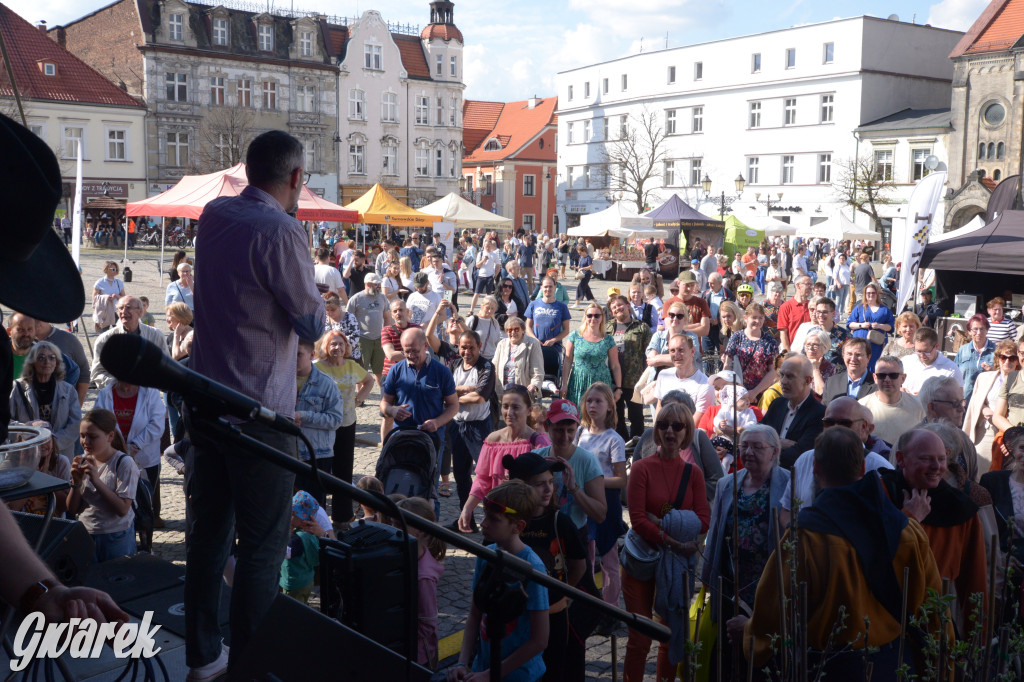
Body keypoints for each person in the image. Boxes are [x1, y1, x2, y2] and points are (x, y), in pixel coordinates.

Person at [185, 130, 326, 678]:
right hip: (259, 415)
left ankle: (201, 656)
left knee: (208, 536)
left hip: (205, 404)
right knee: (264, 548)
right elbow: (311, 321)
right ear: (295, 179)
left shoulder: (215, 215)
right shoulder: (283, 231)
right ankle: (249, 667)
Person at [740, 427, 947, 680]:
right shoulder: (906, 529)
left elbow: (772, 612)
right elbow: (934, 608)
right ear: (862, 469)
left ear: (815, 468)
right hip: (894, 665)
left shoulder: (804, 538)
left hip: (830, 668)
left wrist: (751, 638)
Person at [622, 402, 710, 682]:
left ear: (687, 431)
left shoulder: (693, 473)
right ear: (656, 431)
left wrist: (661, 523)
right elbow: (637, 520)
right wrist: (674, 537)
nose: (670, 431)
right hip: (641, 561)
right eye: (663, 425)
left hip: (676, 563)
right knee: (639, 638)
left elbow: (704, 519)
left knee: (670, 634)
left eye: (677, 425)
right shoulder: (641, 468)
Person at [701, 424, 790, 681]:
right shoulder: (728, 483)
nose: (748, 452)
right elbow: (716, 531)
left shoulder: (788, 482)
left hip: (768, 584)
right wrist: (708, 578)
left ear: (773, 452)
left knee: (763, 655)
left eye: (757, 447)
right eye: (744, 446)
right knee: (729, 654)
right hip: (731, 582)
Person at [880, 429, 988, 627]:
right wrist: (910, 517)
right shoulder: (880, 493)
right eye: (925, 459)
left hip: (935, 619)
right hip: (884, 616)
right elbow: (875, 556)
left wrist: (976, 643)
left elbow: (975, 583)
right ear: (901, 459)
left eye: (941, 458)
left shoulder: (961, 509)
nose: (937, 466)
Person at [447, 481, 549, 682]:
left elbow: (539, 640)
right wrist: (462, 662)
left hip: (519, 677)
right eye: (484, 515)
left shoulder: (532, 568)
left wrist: (490, 675)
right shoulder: (487, 555)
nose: (483, 523)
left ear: (518, 526)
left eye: (493, 519)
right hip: (483, 668)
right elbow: (475, 614)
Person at [778, 397, 896, 524]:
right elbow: (787, 510)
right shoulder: (804, 460)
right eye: (829, 422)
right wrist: (800, 536)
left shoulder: (880, 468)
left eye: (845, 423)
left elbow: (889, 523)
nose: (835, 428)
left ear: (863, 427)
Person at [457, 384, 550, 533]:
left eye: (516, 407)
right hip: (497, 517)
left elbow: (544, 485)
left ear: (529, 411)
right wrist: (467, 508)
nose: (509, 412)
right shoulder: (493, 440)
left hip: (525, 520)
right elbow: (482, 480)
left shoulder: (538, 443)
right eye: (505, 406)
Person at [575, 383, 627, 610]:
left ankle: (611, 608)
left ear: (609, 406)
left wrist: (593, 481)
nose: (592, 405)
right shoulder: (579, 433)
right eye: (589, 401)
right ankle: (585, 605)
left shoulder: (614, 439)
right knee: (585, 556)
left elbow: (620, 480)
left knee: (609, 559)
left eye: (598, 401)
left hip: (606, 501)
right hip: (583, 501)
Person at [380, 327, 459, 475]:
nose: (410, 355)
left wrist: (437, 422)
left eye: (414, 351)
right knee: (400, 480)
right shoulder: (396, 370)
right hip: (402, 436)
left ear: (425, 346)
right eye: (406, 351)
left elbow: (454, 406)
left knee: (428, 483)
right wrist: (392, 410)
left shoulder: (441, 372)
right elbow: (384, 403)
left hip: (431, 438)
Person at [67, 409, 140, 563]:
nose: (85, 442)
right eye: (82, 436)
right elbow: (72, 509)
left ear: (110, 436)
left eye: (92, 437)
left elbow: (122, 509)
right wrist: (76, 482)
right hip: (85, 533)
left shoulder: (124, 463)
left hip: (115, 536)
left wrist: (96, 480)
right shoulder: (83, 460)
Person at [313, 331, 372, 523]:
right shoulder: (317, 367)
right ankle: (319, 516)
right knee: (321, 469)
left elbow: (369, 381)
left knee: (344, 470)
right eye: (333, 344)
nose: (337, 348)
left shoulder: (352, 366)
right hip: (323, 426)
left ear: (346, 347)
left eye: (340, 344)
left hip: (347, 422)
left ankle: (342, 518)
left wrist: (358, 399)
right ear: (325, 347)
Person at [444, 329, 497, 526]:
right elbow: (444, 390)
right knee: (460, 473)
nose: (467, 352)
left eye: (471, 348)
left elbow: (479, 397)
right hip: (457, 426)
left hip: (479, 427)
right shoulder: (454, 364)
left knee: (485, 475)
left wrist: (453, 398)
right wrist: (461, 390)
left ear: (479, 347)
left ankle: (493, 521)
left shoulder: (486, 366)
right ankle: (467, 520)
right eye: (463, 347)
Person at [396, 496, 447, 671]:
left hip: (417, 655)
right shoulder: (414, 557)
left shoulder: (422, 576)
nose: (393, 529)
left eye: (399, 525)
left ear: (420, 531)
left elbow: (428, 622)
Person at [9, 341, 81, 458]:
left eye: (52, 358)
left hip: (59, 456)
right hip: (25, 455)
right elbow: (6, 421)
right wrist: (29, 430)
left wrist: (53, 444)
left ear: (56, 362)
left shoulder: (68, 391)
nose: (47, 361)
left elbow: (75, 425)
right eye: (41, 358)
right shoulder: (16, 388)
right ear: (32, 362)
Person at [761, 354, 826, 469]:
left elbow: (802, 453)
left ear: (808, 380)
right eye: (781, 375)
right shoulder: (777, 404)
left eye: (790, 376)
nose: (783, 381)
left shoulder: (819, 413)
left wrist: (768, 454)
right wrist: (782, 443)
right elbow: (760, 435)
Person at [90, 297, 170, 389]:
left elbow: (166, 368)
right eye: (120, 308)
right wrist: (119, 384)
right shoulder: (104, 339)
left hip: (148, 397)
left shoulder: (155, 335)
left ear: (140, 312)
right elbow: (97, 373)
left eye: (128, 307)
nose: (123, 312)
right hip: (115, 397)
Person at [964, 339, 1018, 472]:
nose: (1007, 361)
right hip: (985, 432)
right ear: (997, 358)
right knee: (979, 474)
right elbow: (974, 401)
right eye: (1003, 357)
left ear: (1017, 361)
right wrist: (983, 408)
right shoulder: (984, 377)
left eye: (1012, 358)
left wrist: (997, 417)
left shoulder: (1019, 381)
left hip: (1008, 436)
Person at [607, 293, 653, 440]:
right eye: (614, 307)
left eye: (620, 305)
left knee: (636, 417)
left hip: (634, 381)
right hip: (612, 381)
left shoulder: (642, 327)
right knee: (616, 417)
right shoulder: (607, 328)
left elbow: (650, 354)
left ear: (628, 306)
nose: (617, 309)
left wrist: (649, 378)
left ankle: (636, 448)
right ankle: (623, 446)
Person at [560, 303, 622, 411]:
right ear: (585, 317)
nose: (593, 318)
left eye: (597, 315)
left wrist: (618, 388)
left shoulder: (608, 339)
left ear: (602, 317)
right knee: (577, 416)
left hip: (601, 383)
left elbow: (615, 366)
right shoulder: (575, 336)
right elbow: (567, 361)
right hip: (578, 382)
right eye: (589, 315)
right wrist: (564, 383)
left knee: (599, 417)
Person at [861, 355, 926, 446]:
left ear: (903, 378)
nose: (887, 380)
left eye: (893, 375)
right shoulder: (862, 407)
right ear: (875, 378)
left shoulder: (919, 406)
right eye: (881, 375)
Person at [380, 298, 421, 441]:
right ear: (391, 314)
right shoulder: (387, 330)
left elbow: (423, 352)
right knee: (388, 415)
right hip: (390, 375)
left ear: (408, 311)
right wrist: (413, 353)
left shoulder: (417, 329)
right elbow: (391, 355)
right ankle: (386, 447)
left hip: (412, 375)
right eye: (395, 311)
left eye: (401, 310)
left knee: (410, 412)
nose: (398, 313)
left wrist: (405, 354)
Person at [722, 303, 780, 401]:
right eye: (754, 317)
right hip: (737, 393)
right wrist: (734, 389)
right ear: (746, 318)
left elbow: (773, 371)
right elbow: (727, 366)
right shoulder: (737, 337)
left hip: (760, 394)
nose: (757, 321)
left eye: (761, 318)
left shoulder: (770, 341)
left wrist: (754, 392)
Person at [653, 334, 714, 424]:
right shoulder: (663, 375)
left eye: (681, 350)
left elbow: (695, 423)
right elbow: (659, 407)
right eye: (672, 351)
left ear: (692, 351)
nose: (676, 355)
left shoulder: (705, 384)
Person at [280, 491, 327, 605]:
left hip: (294, 584)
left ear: (301, 519)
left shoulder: (298, 539)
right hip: (307, 579)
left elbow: (285, 553)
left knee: (293, 608)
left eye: (292, 514)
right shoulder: (311, 533)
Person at [346, 272, 391, 386]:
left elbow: (386, 317)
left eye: (378, 284)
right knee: (361, 369)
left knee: (379, 369)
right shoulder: (356, 298)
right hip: (362, 338)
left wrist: (386, 334)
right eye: (375, 284)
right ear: (368, 284)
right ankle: (360, 398)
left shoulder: (382, 297)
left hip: (379, 338)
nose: (378, 287)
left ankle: (383, 394)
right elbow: (348, 319)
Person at [34, 317, 90, 404]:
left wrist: (77, 406)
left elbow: (84, 373)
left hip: (62, 405)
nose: (34, 322)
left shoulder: (69, 339)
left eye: (38, 318)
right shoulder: (22, 342)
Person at [492, 317, 545, 402]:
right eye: (509, 330)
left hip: (524, 393)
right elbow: (494, 367)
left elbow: (537, 370)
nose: (513, 332)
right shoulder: (502, 344)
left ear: (523, 330)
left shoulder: (532, 344)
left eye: (516, 329)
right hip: (503, 392)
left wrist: (534, 384)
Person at [847, 282, 894, 372]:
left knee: (874, 367)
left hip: (877, 345)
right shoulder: (859, 307)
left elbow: (891, 327)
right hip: (859, 343)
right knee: (858, 365)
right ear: (865, 294)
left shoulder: (885, 309)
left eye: (873, 293)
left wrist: (879, 326)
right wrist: (861, 325)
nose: (871, 295)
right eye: (868, 293)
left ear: (877, 294)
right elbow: (849, 324)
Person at [902, 326, 964, 395]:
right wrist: (898, 390)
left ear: (936, 347)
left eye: (926, 352)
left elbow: (959, 396)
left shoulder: (951, 369)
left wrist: (929, 397)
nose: (922, 356)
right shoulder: (906, 362)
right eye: (918, 351)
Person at [822, 337, 877, 404]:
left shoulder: (878, 384)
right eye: (849, 354)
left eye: (858, 355)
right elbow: (825, 411)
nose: (853, 359)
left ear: (868, 357)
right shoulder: (832, 382)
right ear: (843, 356)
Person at [955, 313, 996, 404]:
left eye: (982, 329)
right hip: (965, 401)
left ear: (987, 330)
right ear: (969, 331)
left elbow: (1003, 377)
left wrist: (993, 371)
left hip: (986, 402)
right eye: (975, 329)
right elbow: (955, 376)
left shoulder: (996, 351)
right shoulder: (962, 350)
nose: (979, 333)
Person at [777, 274, 812, 352]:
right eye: (808, 284)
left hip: (811, 352)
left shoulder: (813, 306)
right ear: (798, 285)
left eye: (811, 284)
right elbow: (783, 334)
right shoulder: (786, 307)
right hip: (793, 352)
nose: (810, 287)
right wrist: (788, 354)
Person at [324, 292, 362, 364]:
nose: (330, 313)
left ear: (339, 307)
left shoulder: (349, 317)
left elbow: (355, 337)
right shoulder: (325, 319)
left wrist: (339, 348)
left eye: (333, 310)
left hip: (351, 358)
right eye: (327, 310)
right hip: (332, 358)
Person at [466, 296, 504, 361]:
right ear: (482, 306)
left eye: (492, 308)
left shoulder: (495, 323)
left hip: (491, 359)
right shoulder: (473, 320)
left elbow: (497, 342)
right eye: (487, 308)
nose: (490, 311)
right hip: (475, 358)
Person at [92, 261, 125, 333]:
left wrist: (116, 296)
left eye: (116, 269)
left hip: (117, 311)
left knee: (119, 333)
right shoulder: (100, 282)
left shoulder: (119, 282)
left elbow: (124, 297)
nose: (115, 271)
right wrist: (106, 297)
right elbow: (94, 298)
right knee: (103, 333)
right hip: (104, 311)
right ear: (106, 269)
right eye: (113, 269)